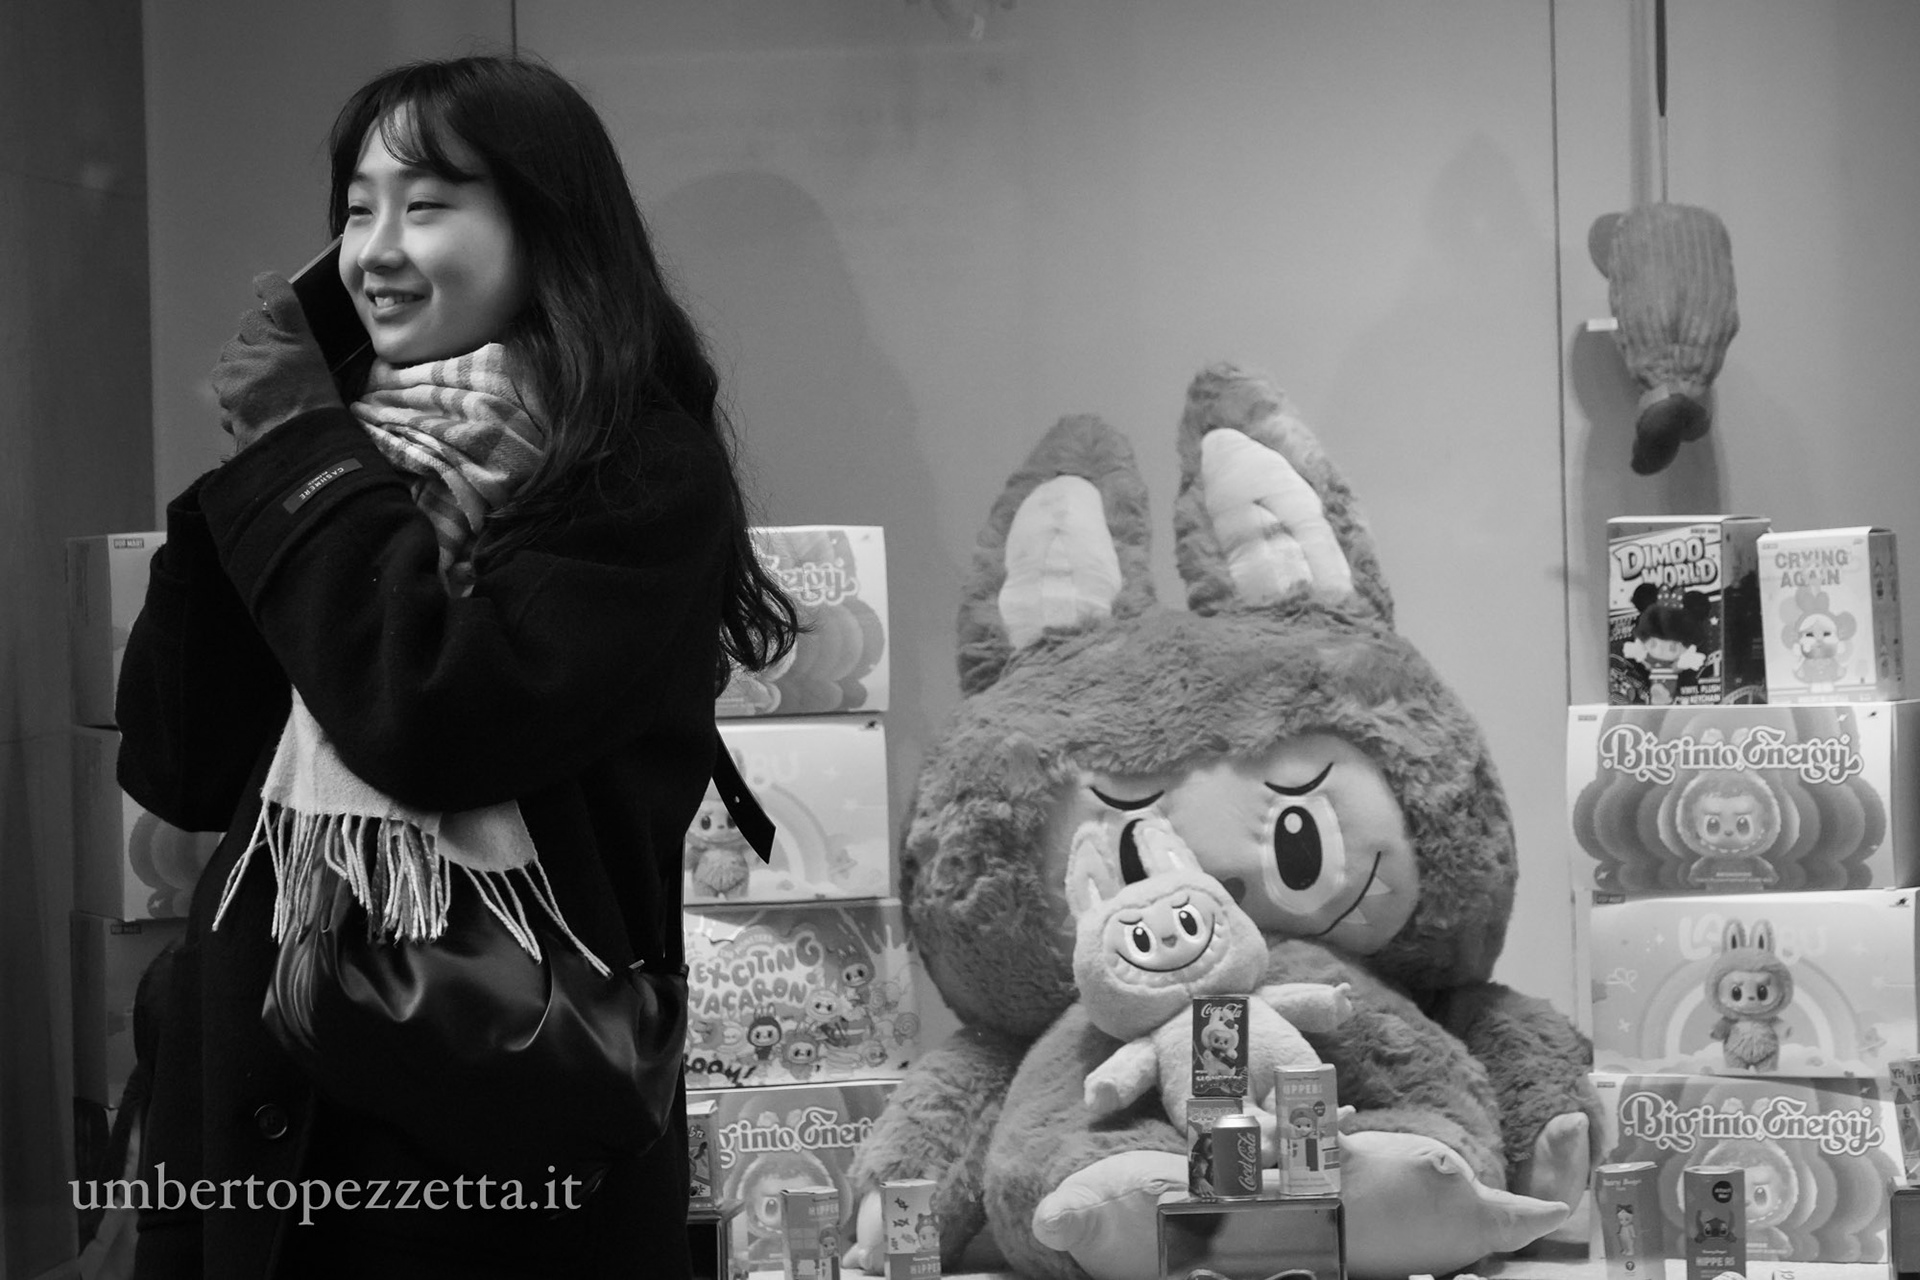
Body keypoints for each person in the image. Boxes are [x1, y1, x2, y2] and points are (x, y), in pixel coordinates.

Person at [116, 53, 797, 1279]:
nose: (376, 250)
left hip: (492, 1161)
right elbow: (182, 766)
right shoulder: (344, 447)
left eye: (426, 206)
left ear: (547, 227)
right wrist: (253, 483)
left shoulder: (634, 470)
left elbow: (432, 713)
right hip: (257, 1155)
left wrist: (300, 459)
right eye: (356, 210)